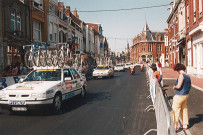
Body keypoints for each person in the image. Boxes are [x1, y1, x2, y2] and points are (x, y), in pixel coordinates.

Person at [172, 63, 191, 131]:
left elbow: (179, 86)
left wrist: (174, 87)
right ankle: (185, 125)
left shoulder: (181, 75)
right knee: (184, 109)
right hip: (186, 95)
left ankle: (175, 126)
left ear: (178, 69)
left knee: (175, 110)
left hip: (179, 95)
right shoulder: (187, 76)